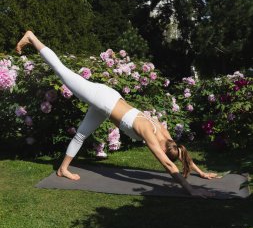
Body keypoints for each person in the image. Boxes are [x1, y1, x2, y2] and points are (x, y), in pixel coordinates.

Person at [16, 31, 220, 198]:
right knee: (62, 71)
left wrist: (201, 173)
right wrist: (190, 189)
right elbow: (167, 164)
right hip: (102, 99)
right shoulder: (149, 132)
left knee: (81, 134)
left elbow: (182, 152)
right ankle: (32, 38)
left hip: (109, 102)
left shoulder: (165, 135)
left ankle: (63, 169)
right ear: (164, 148)